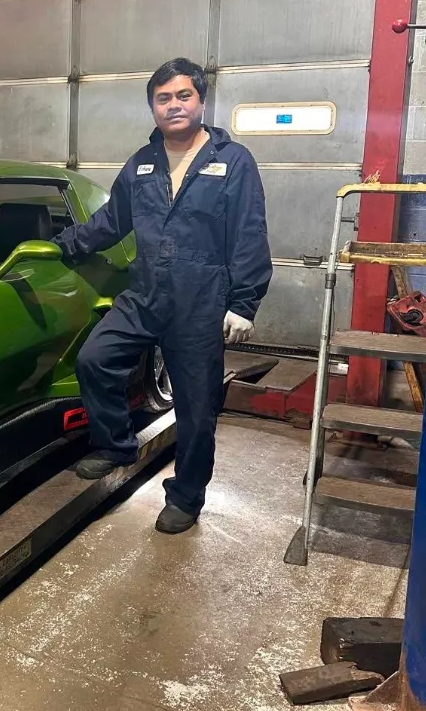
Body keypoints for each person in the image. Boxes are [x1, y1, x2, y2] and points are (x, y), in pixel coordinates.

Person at [52, 57, 272, 534]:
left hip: (201, 300)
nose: (173, 105)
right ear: (153, 107)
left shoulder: (232, 161)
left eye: (183, 95)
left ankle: (186, 497)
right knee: (95, 359)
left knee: (196, 408)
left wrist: (244, 303)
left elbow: (249, 233)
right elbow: (110, 222)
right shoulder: (142, 162)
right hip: (146, 291)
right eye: (163, 98)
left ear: (201, 100)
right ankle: (117, 445)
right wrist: (61, 245)